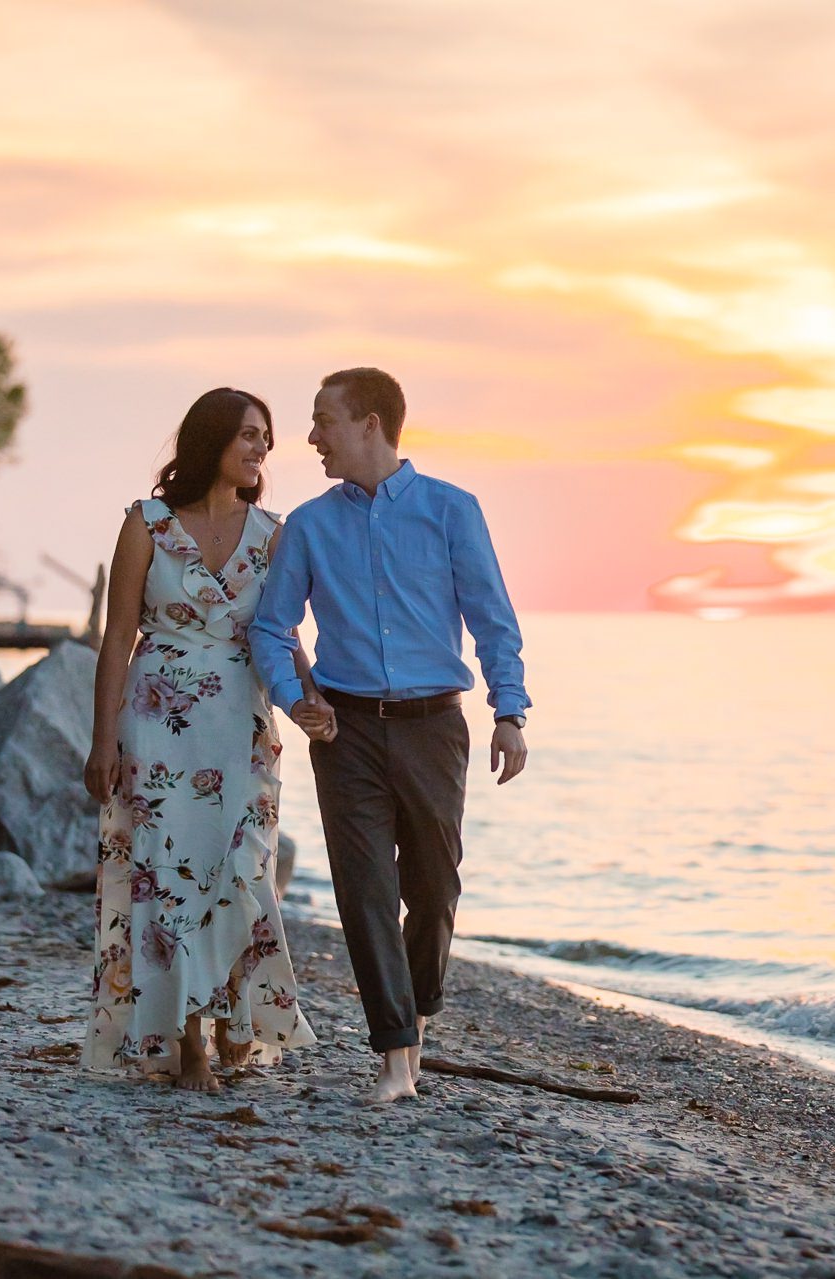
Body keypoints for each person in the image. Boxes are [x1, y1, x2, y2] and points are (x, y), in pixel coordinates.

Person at [250, 366, 530, 1104]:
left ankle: (417, 1012)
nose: (311, 438)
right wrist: (295, 699)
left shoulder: (451, 510)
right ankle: (395, 1058)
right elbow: (272, 628)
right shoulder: (309, 525)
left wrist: (510, 712)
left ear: (370, 423)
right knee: (365, 891)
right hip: (345, 733)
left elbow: (492, 618)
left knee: (434, 889)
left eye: (324, 421)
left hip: (435, 725)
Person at [81, 387, 321, 1089]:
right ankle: (188, 1045)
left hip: (241, 731)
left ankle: (232, 1018)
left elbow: (283, 633)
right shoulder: (147, 525)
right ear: (210, 439)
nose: (260, 449)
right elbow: (118, 637)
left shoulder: (274, 532)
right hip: (157, 728)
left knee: (243, 875)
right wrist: (102, 742)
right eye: (248, 434)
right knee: (166, 881)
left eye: (265, 439)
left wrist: (313, 699)